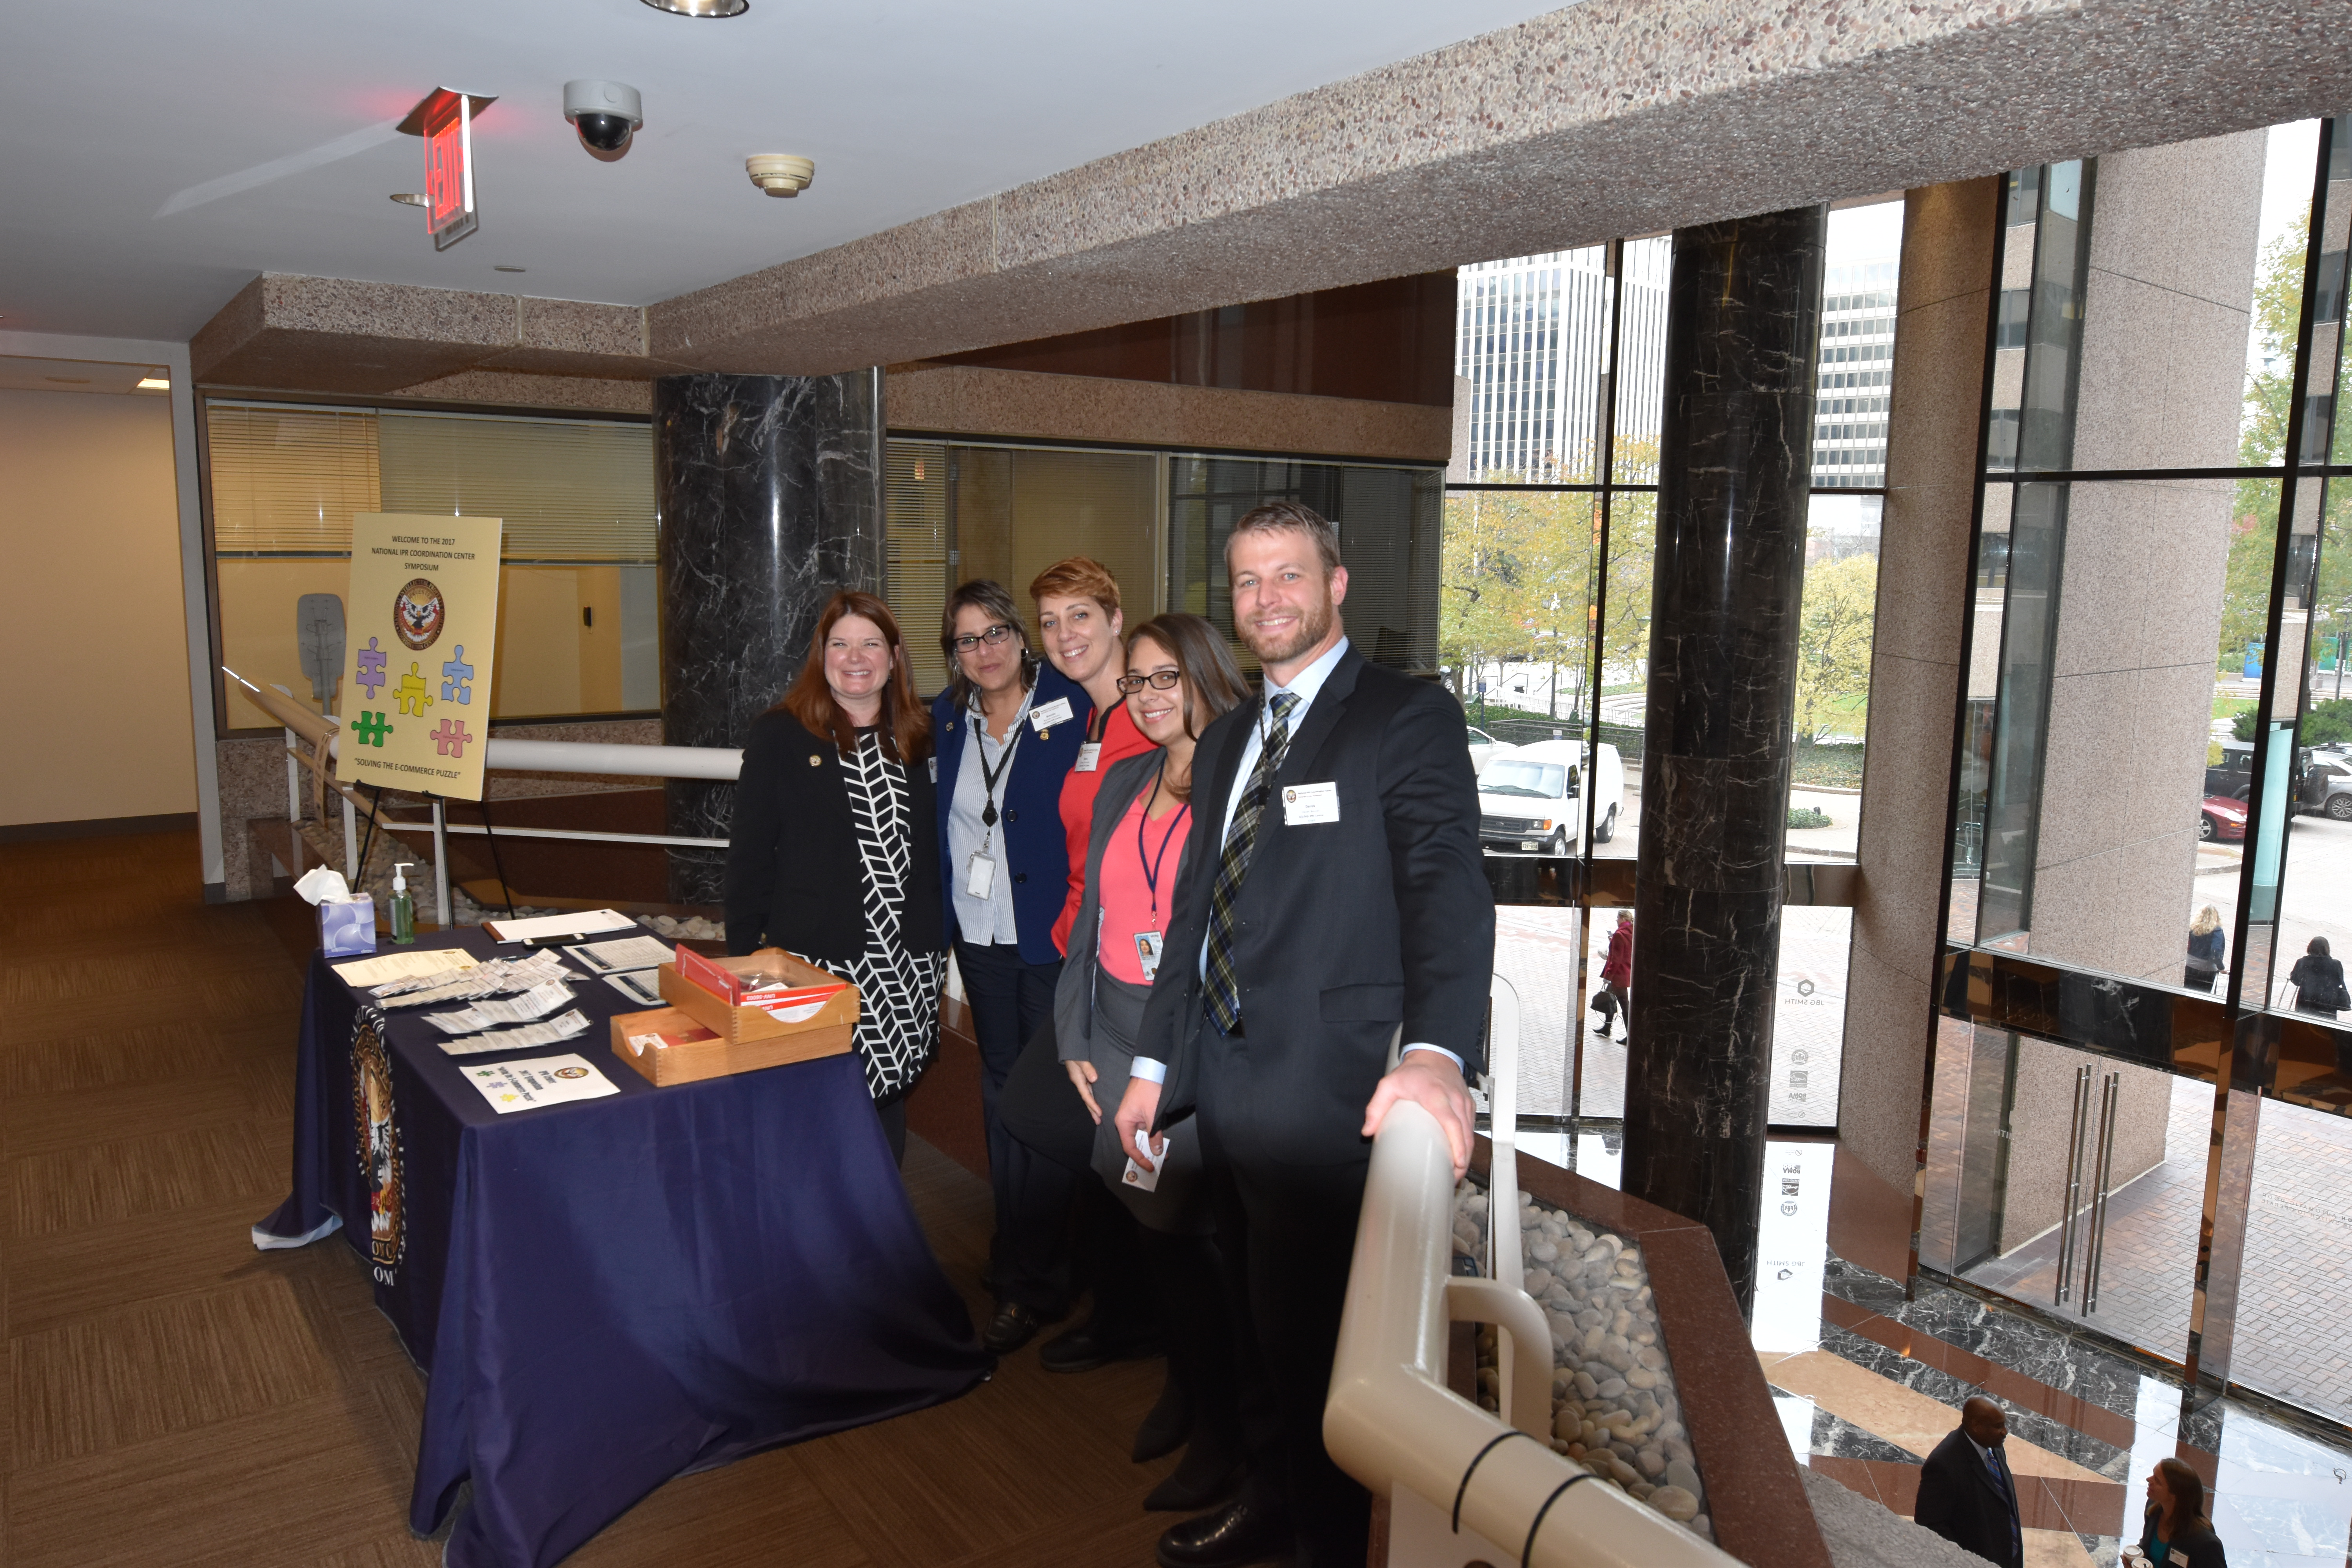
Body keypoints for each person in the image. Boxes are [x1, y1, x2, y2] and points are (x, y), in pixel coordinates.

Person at [1114, 501, 1494, 1568]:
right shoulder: (1231, 729)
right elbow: (1198, 912)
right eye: (1246, 582)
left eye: (1288, 577)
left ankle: (1331, 1541)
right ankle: (1273, 1500)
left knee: (1324, 1345)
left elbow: (1446, 892)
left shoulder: (1403, 717)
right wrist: (1154, 1063)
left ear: (1335, 584)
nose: (1266, 599)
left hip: (1334, 1100)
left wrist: (1435, 1052)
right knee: (1250, 1326)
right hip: (1225, 1090)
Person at [1055, 612, 1253, 1512]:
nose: (1153, 695)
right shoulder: (1129, 775)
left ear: (1208, 674)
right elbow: (1090, 917)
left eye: (1169, 676)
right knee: (1150, 1226)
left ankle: (1223, 1429)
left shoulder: (1241, 782)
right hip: (1110, 1029)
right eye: (1138, 680)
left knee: (1192, 1239)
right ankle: (1187, 1384)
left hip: (1189, 1039)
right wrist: (1072, 1035)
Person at [990, 558, 1165, 1374]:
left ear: (1116, 617)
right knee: (1090, 1131)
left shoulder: (1148, 717)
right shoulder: (1090, 722)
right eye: (1052, 621)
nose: (1065, 635)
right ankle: (1122, 1302)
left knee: (1090, 1126)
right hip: (1081, 961)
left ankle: (1136, 1308)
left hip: (1127, 975)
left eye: (1080, 617)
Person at [724, 590, 941, 1163]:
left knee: (886, 1103)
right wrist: (748, 962)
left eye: (871, 643)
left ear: (894, 658)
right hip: (818, 965)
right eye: (840, 644)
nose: (856, 656)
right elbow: (748, 858)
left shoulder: (921, 734)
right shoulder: (781, 735)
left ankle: (881, 1234)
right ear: (821, 655)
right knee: (818, 1112)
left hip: (904, 967)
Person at [931, 580, 1089, 1351]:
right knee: (999, 1087)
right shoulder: (946, 718)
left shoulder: (1074, 707)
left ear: (1021, 637)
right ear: (953, 654)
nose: (983, 650)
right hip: (980, 935)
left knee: (1047, 1096)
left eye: (995, 632)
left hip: (1051, 935)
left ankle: (1042, 1274)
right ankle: (1019, 1251)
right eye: (966, 639)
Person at [1913, 1396, 2024, 1568]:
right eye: (1998, 1426)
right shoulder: (1943, 1465)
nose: (2005, 1432)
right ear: (1976, 1426)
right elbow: (1930, 1526)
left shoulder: (1994, 1445)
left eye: (2004, 1424)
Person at [2136, 1455, 2227, 1567]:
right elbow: (2147, 1547)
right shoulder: (2153, 1509)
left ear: (2175, 1495)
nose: (2149, 1480)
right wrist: (2136, 1561)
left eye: (2157, 1481)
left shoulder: (2205, 1543)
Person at [2289, 936, 2347, 1019]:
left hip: (2306, 1002)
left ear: (2310, 948)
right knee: (2326, 1028)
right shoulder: (2336, 964)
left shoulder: (2302, 962)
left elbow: (2296, 981)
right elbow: (2338, 982)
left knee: (2303, 1025)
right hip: (2328, 1003)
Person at [1596, 910, 1633, 1039]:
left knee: (1625, 1005)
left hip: (1618, 976)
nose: (1616, 920)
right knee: (1609, 999)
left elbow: (1616, 959)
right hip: (1625, 972)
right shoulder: (1632, 931)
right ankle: (1607, 1028)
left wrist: (1608, 976)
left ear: (1623, 919)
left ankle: (1630, 1036)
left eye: (1618, 918)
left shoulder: (1620, 935)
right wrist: (1614, 941)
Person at [2184, 906, 2226, 993]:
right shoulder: (2217, 930)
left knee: (2186, 993)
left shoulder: (2192, 928)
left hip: (2189, 966)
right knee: (2202, 996)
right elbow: (2216, 951)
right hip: (2207, 970)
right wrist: (2221, 968)